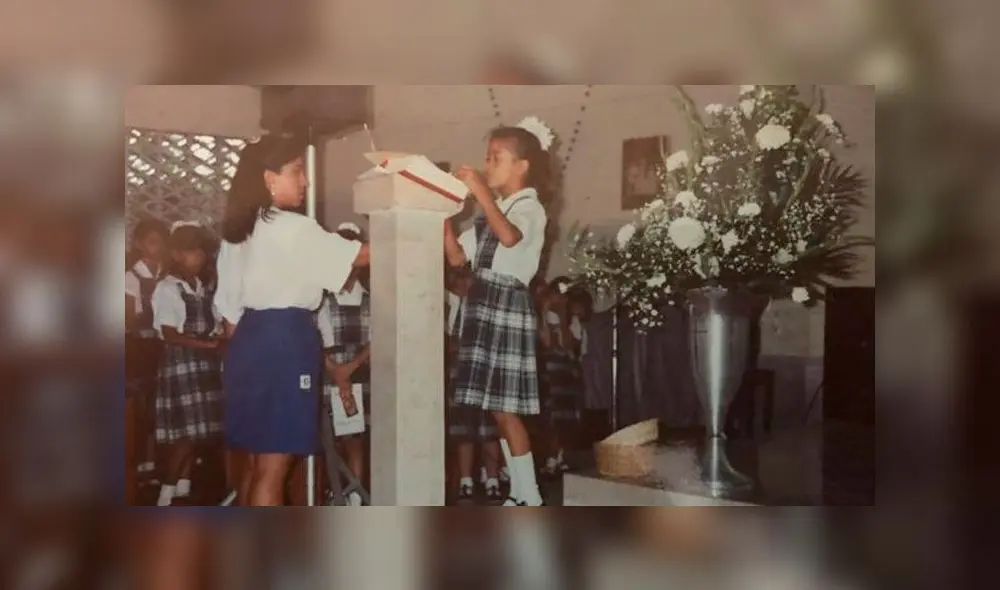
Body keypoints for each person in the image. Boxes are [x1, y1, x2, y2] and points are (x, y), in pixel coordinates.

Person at [215, 135, 370, 506]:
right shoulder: (292, 227)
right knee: (274, 469)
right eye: (297, 171)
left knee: (256, 466)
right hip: (284, 340)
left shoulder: (239, 231)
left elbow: (229, 318)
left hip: (248, 342)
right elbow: (360, 257)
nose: (305, 182)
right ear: (269, 178)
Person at [444, 117, 554, 507]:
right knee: (496, 408)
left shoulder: (529, 206)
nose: (487, 165)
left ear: (521, 166)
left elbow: (510, 236)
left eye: (496, 158)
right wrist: (442, 214)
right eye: (486, 158)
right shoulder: (496, 210)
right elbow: (458, 257)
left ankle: (531, 496)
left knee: (508, 408)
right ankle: (522, 493)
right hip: (484, 304)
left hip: (506, 304)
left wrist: (480, 193)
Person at [151, 223, 225, 506]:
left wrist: (217, 337)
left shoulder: (202, 288)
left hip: (204, 364)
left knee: (198, 433)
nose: (201, 257)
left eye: (202, 251)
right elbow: (169, 334)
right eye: (194, 251)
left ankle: (183, 487)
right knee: (185, 435)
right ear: (177, 254)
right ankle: (165, 493)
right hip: (182, 363)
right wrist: (207, 345)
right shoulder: (168, 288)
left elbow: (215, 323)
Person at [316, 222, 372, 507]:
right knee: (327, 437)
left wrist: (349, 369)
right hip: (328, 370)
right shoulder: (320, 296)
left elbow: (379, 340)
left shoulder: (370, 300)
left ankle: (354, 495)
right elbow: (312, 336)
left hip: (358, 372)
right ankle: (330, 489)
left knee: (354, 435)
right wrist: (334, 368)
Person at [445, 266, 504, 505]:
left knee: (489, 430)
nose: (462, 285)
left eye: (465, 281)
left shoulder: (487, 308)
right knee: (463, 431)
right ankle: (466, 481)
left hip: (486, 374)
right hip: (459, 374)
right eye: (458, 281)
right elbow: (448, 343)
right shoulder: (449, 307)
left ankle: (492, 480)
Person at [125, 219, 169, 485]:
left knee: (160, 406)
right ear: (140, 245)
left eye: (162, 241)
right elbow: (128, 318)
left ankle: (156, 462)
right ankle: (139, 460)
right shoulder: (131, 277)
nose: (158, 246)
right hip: (141, 349)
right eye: (152, 241)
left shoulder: (168, 275)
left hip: (164, 347)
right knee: (141, 406)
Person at [537, 277, 585, 477]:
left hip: (565, 372)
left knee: (566, 417)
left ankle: (560, 457)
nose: (561, 299)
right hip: (550, 371)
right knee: (551, 416)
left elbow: (569, 346)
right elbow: (547, 343)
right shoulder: (544, 317)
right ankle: (550, 458)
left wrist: (564, 317)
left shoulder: (571, 320)